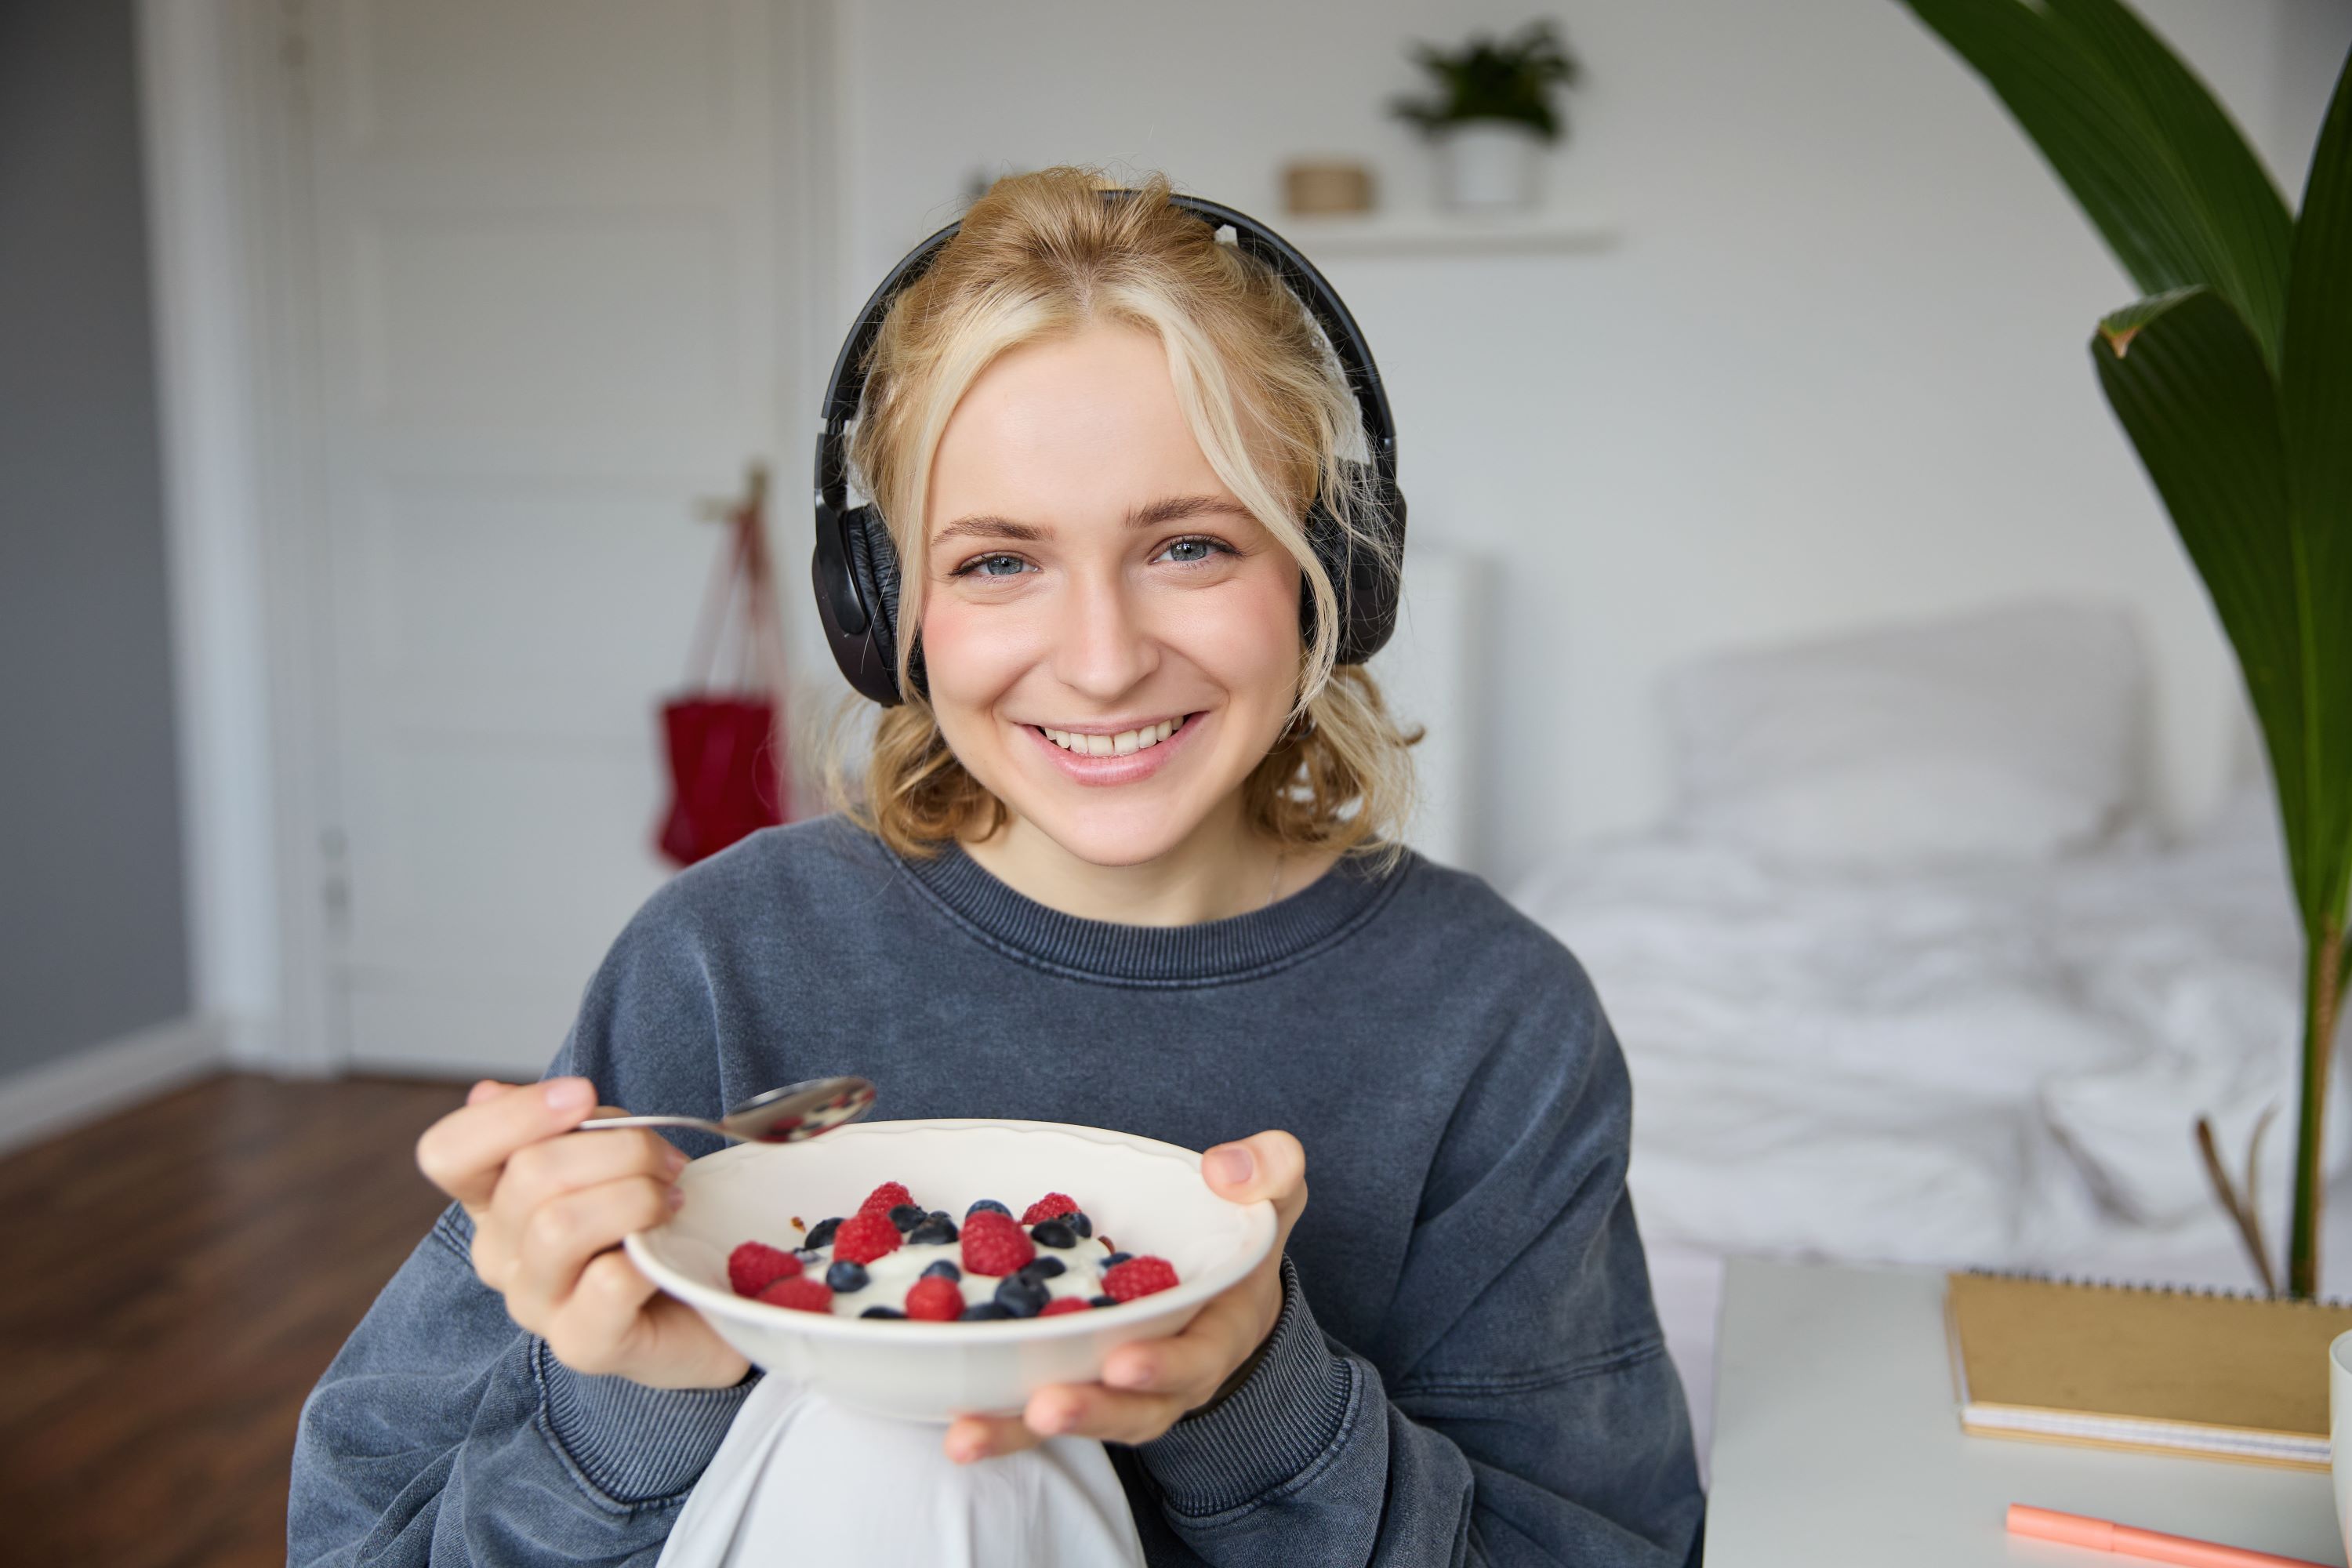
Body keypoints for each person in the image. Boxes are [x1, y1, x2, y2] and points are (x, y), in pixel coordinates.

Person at [289, 165, 1704, 1566]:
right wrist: (632, 1403)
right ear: (883, 608)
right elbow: (362, 1545)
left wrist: (1256, 1393)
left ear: (1333, 572)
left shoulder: (1491, 1017)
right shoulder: (724, 961)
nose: (1100, 662)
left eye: (1192, 544)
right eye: (996, 564)